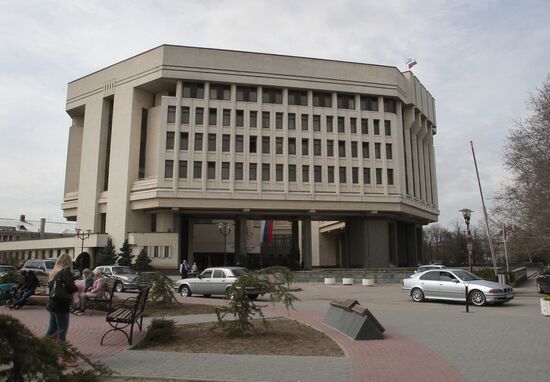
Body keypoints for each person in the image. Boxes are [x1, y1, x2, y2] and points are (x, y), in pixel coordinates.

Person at [45, 253, 77, 365]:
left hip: (52, 304)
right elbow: (71, 287)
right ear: (68, 262)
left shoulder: (54, 272)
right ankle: (64, 358)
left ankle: (40, 350)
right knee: (61, 332)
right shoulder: (65, 271)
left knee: (51, 330)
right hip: (62, 305)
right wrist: (77, 286)